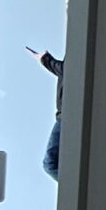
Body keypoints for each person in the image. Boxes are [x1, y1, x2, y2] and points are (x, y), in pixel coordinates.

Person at [27, 44, 65, 177]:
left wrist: (45, 59)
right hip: (65, 114)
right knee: (51, 164)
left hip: (66, 115)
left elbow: (68, 71)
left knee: (50, 164)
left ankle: (78, 184)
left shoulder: (78, 52)